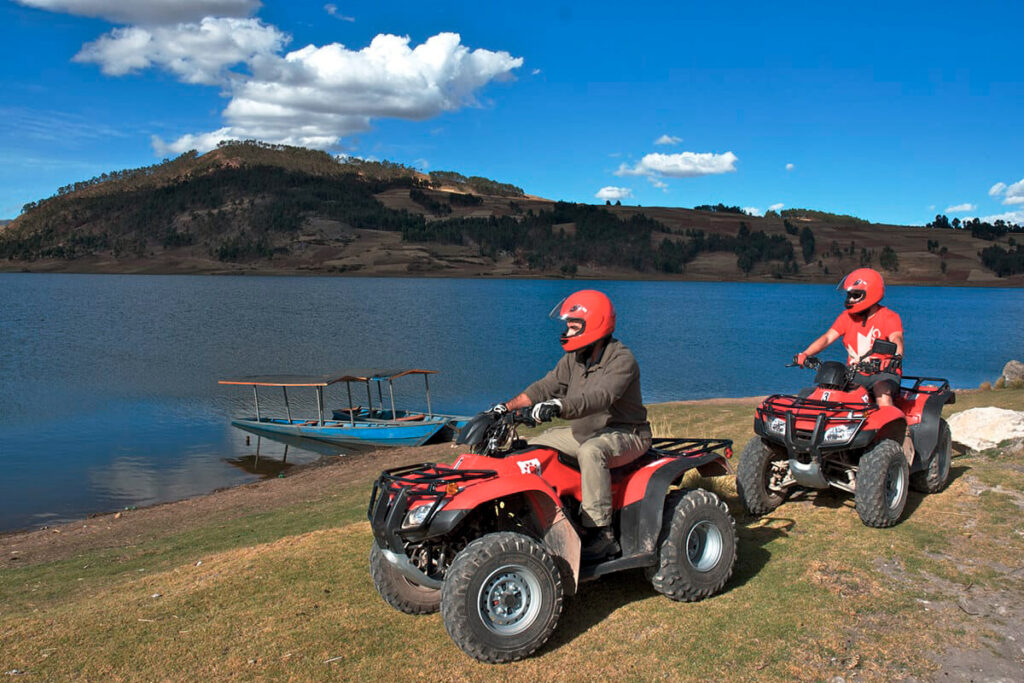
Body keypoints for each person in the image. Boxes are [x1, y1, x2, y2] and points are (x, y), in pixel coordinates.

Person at [492, 289, 651, 560]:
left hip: (626, 434)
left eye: (574, 325)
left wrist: (559, 406)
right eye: (568, 324)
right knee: (532, 448)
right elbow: (546, 386)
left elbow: (600, 398)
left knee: (592, 452)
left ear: (596, 324)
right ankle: (536, 512)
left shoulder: (622, 360)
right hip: (586, 431)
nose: (568, 330)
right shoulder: (574, 358)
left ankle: (601, 532)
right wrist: (504, 408)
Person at [794, 267, 904, 407]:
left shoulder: (889, 317)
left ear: (871, 293)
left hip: (884, 374)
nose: (850, 299)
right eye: (849, 295)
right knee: (829, 390)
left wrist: (897, 356)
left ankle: (894, 426)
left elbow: (896, 338)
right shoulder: (847, 317)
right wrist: (805, 354)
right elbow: (828, 338)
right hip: (854, 373)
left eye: (856, 295)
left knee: (881, 391)